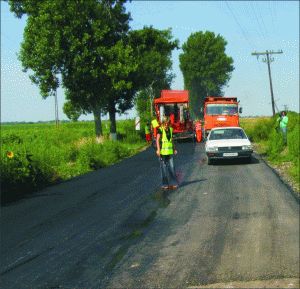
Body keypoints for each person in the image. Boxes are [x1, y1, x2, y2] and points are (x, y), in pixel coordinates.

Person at [156, 117, 179, 190]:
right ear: (163, 123)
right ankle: (165, 184)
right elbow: (157, 140)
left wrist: (174, 149)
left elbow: (172, 140)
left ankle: (174, 183)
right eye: (165, 123)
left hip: (170, 153)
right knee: (163, 169)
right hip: (162, 153)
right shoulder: (160, 130)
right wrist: (158, 150)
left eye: (168, 123)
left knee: (172, 168)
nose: (166, 124)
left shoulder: (171, 129)